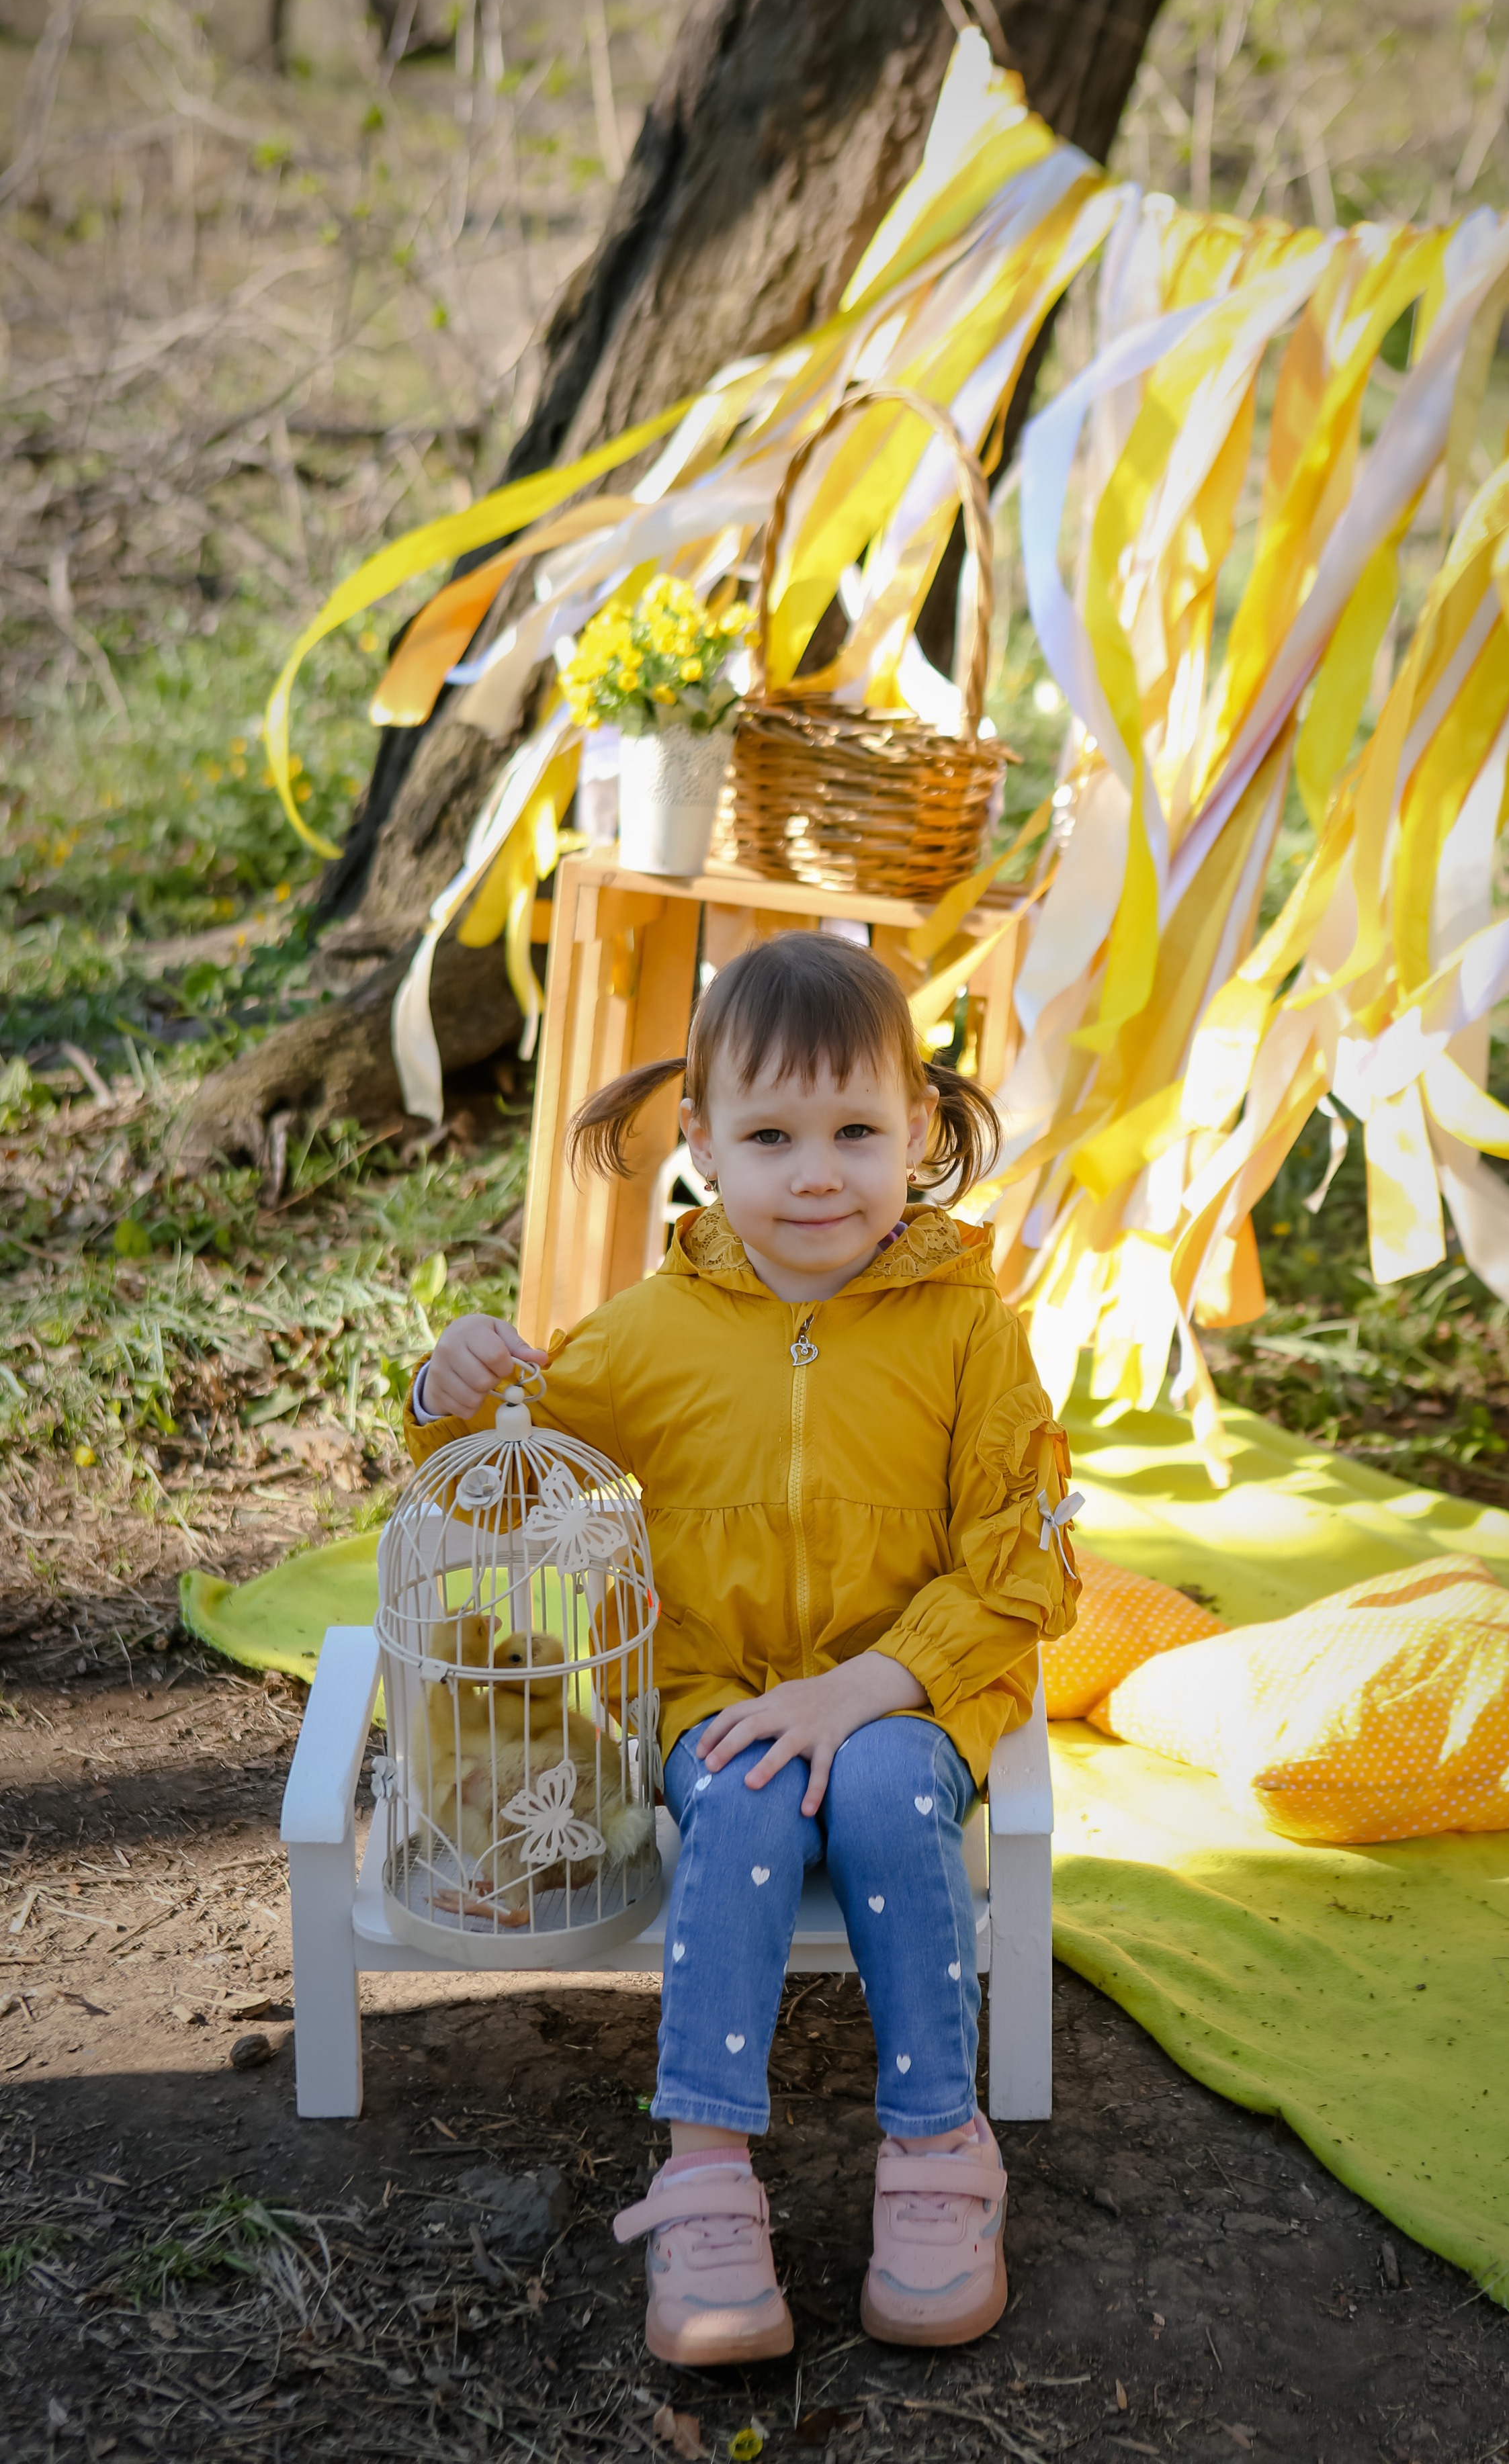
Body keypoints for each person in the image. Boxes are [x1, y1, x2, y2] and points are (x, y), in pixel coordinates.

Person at [405, 931, 1079, 2367]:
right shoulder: (653, 1333)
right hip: (719, 1692)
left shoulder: (971, 1332)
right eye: (771, 1136)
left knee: (893, 1796)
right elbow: (521, 1479)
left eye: (855, 1130)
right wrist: (446, 1386)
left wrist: (863, 1688)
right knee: (747, 1787)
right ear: (703, 1146)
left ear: (921, 1131)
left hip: (909, 1687)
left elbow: (1019, 1564)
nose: (816, 1172)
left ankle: (934, 2155)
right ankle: (705, 2173)